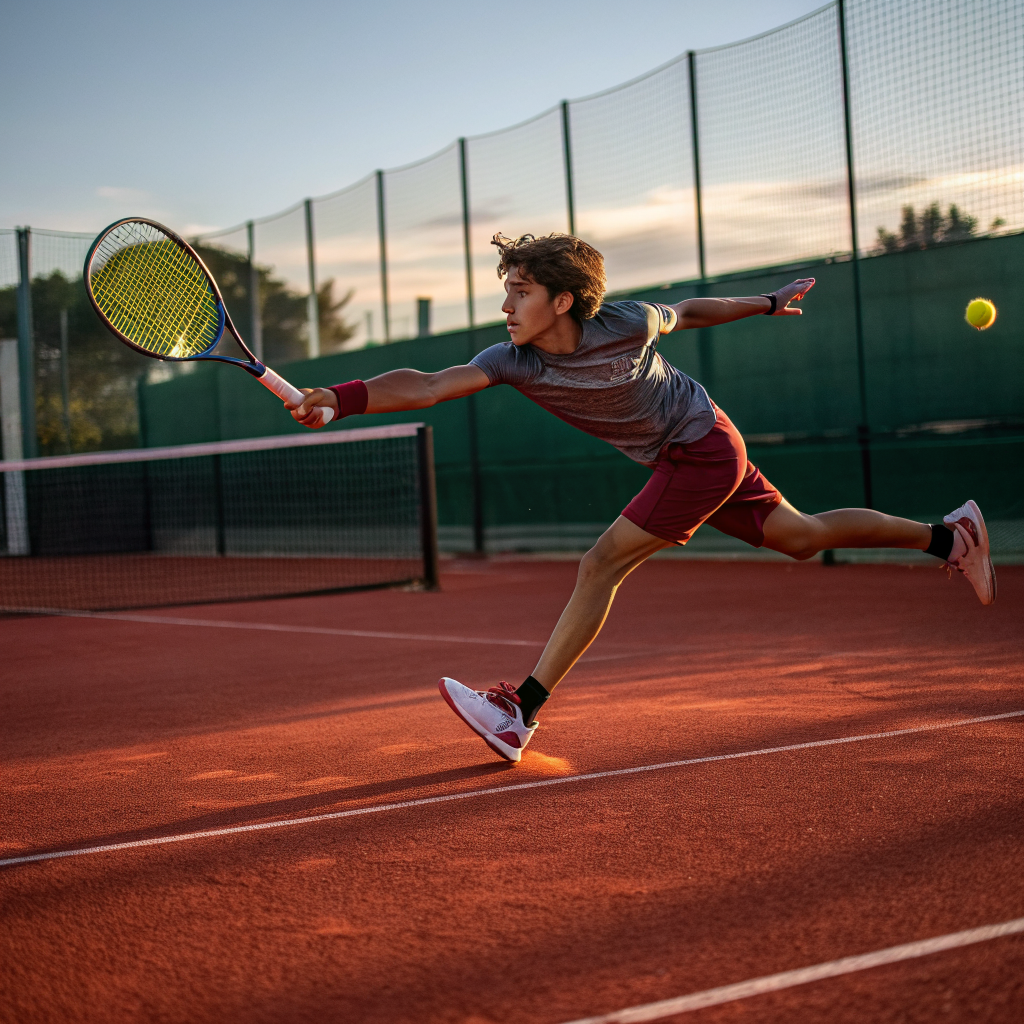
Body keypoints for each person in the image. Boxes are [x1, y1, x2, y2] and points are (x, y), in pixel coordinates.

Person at [289, 233, 996, 763]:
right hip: (688, 450)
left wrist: (767, 302)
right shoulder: (510, 361)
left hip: (705, 446)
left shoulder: (625, 323)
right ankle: (950, 535)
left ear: (562, 301)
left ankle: (519, 714)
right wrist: (342, 399)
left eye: (521, 292)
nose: (506, 306)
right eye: (507, 292)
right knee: (802, 536)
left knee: (600, 565)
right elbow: (429, 383)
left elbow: (688, 311)